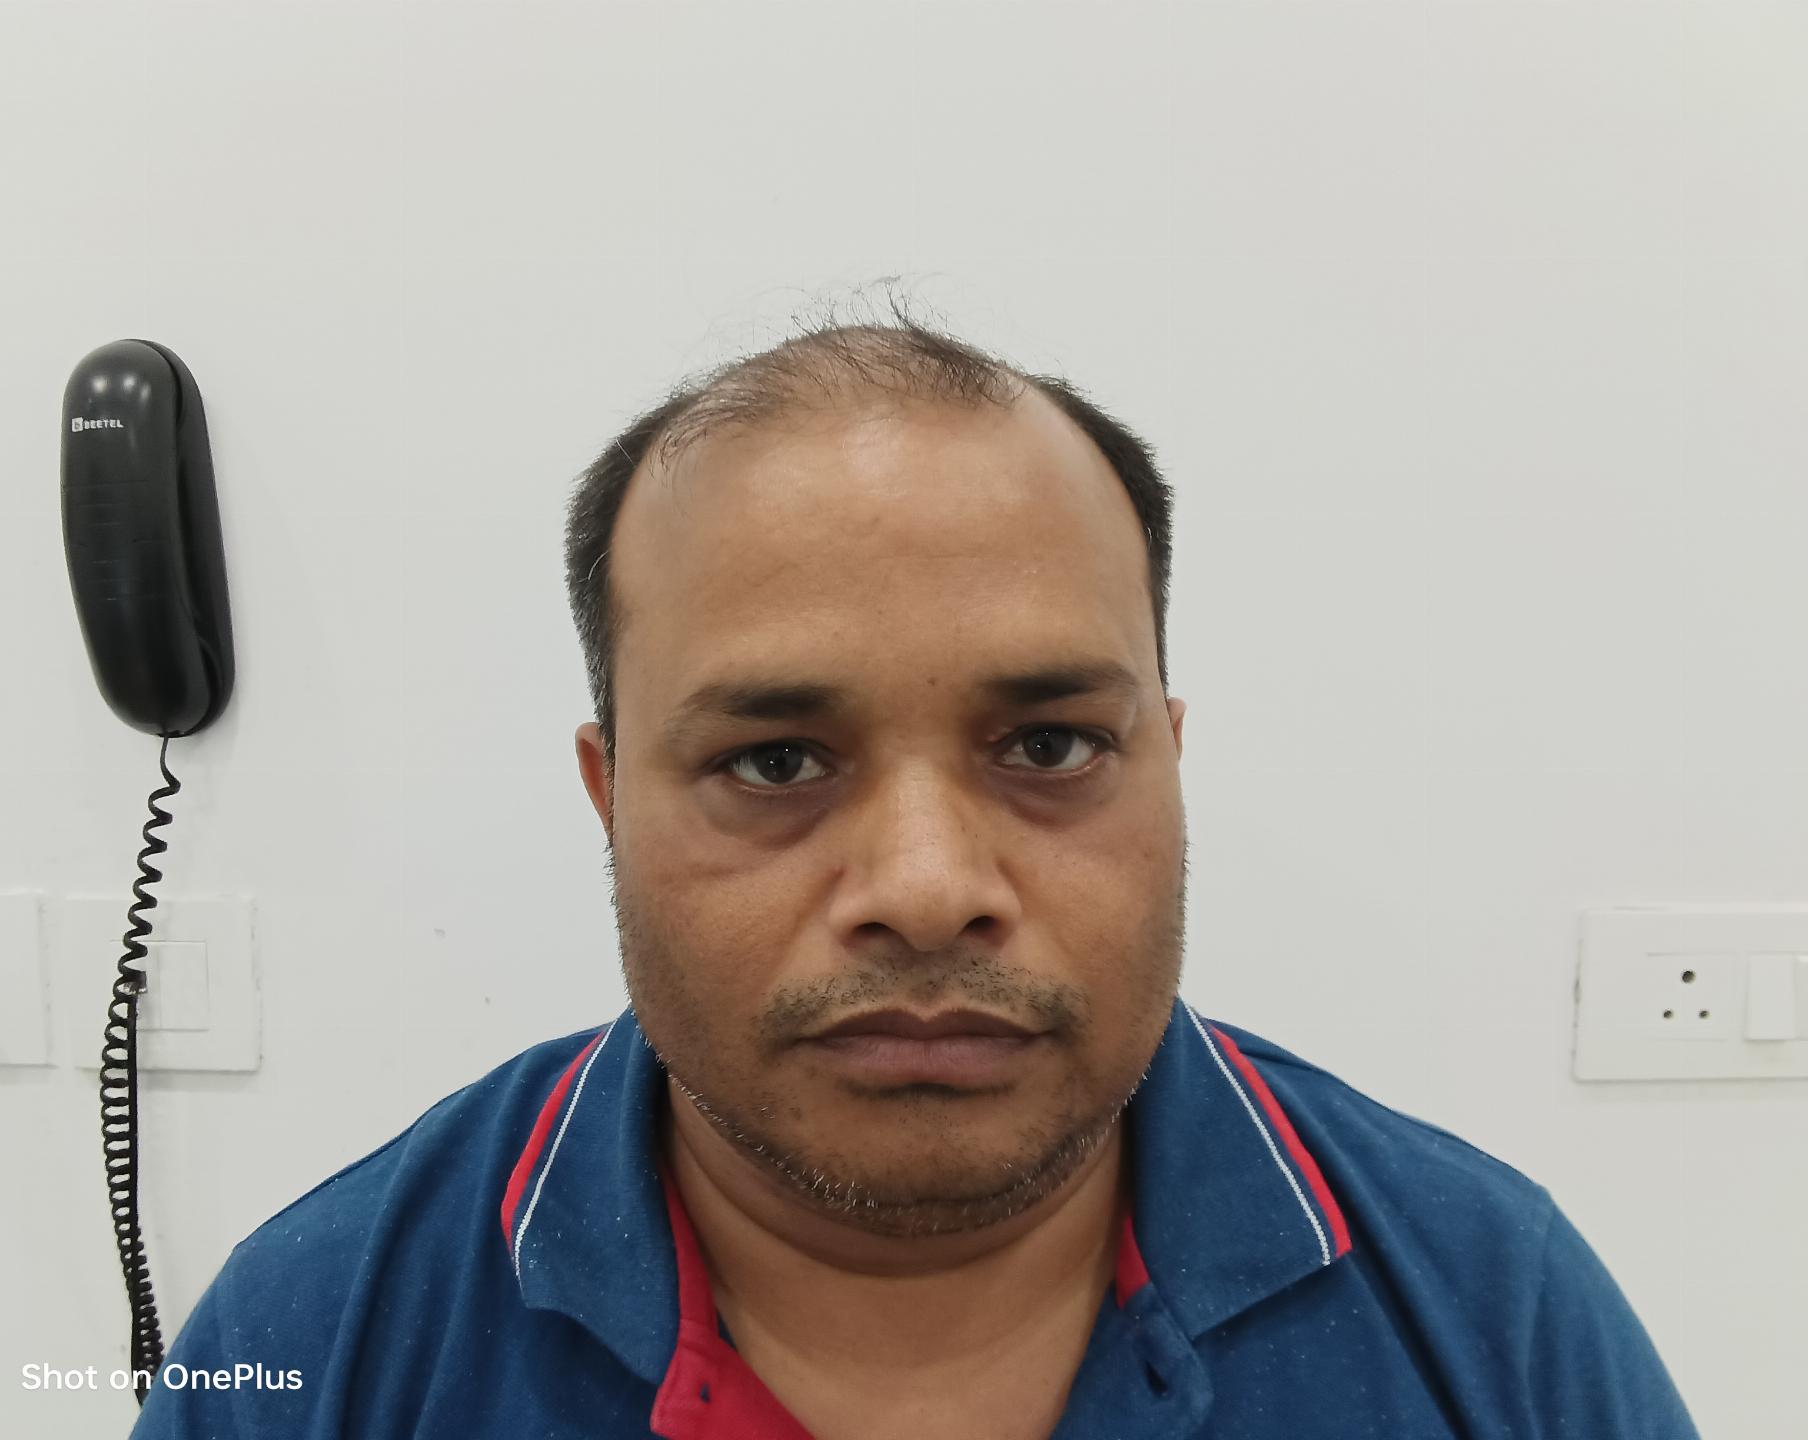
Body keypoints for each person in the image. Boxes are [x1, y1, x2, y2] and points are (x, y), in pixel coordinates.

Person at [131, 305, 1701, 1439]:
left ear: (1168, 760)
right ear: (611, 801)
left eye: (1049, 746)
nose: (930, 886)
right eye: (776, 762)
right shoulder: (315, 1345)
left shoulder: (1490, 1316)